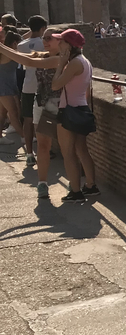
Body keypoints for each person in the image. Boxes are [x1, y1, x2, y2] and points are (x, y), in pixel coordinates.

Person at [0, 27, 63, 198]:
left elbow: (30, 62)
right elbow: (26, 57)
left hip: (59, 105)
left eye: (49, 38)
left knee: (68, 147)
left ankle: (79, 185)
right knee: (43, 146)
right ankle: (42, 184)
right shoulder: (44, 55)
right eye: (44, 37)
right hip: (41, 103)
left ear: (61, 41)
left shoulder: (61, 59)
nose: (45, 41)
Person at [51, 29, 99, 203]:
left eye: (62, 41)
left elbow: (56, 85)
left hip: (69, 110)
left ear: (70, 45)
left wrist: (60, 64)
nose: (59, 44)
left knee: (68, 152)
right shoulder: (85, 62)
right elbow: (86, 91)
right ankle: (91, 185)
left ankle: (76, 191)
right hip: (81, 108)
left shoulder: (73, 64)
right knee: (82, 149)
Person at [17, 16, 47, 167]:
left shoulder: (21, 45)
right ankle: (45, 151)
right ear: (43, 29)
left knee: (28, 120)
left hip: (27, 86)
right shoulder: (45, 44)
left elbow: (22, 38)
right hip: (43, 86)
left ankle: (29, 154)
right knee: (44, 121)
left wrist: (32, 31)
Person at [0, 29, 26, 151]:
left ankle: (0, 137)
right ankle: (24, 137)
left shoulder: (7, 51)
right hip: (4, 88)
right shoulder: (8, 54)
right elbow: (24, 58)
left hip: (7, 86)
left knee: (2, 114)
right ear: (15, 43)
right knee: (13, 113)